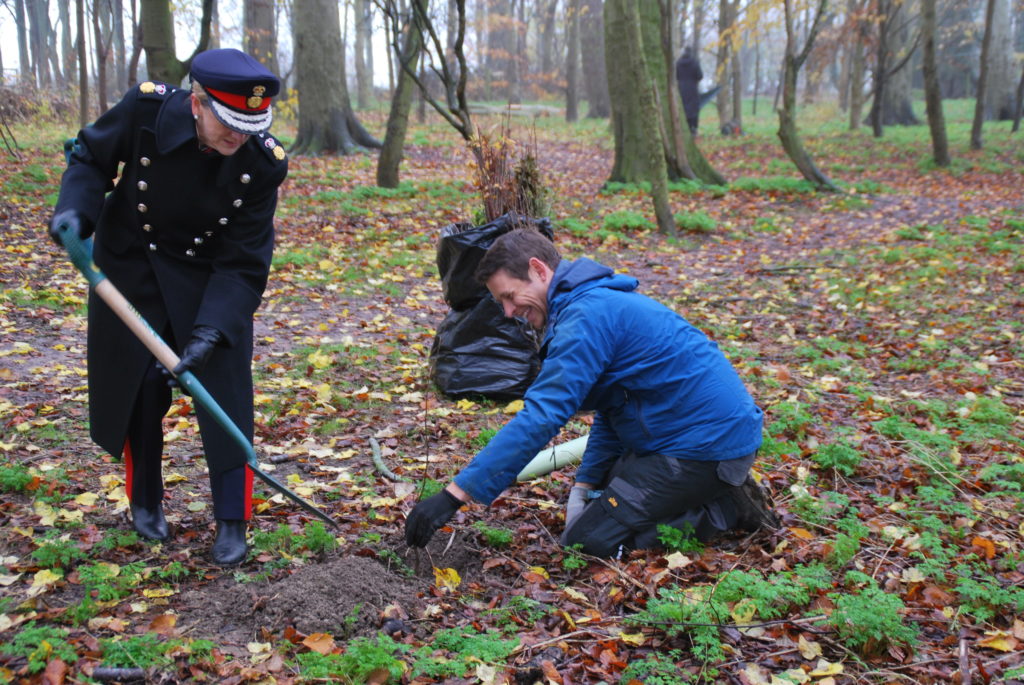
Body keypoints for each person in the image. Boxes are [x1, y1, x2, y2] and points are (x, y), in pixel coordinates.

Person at [48, 48, 288, 565]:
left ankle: (232, 518)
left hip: (210, 280)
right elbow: (90, 159)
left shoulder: (262, 164)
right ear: (197, 103)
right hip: (133, 265)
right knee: (137, 387)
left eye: (250, 125)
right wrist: (74, 211)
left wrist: (209, 332)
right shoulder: (145, 112)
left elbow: (245, 260)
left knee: (225, 393)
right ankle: (145, 497)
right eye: (228, 122)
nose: (239, 136)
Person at [405, 229, 778, 556]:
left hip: (706, 446)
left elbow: (542, 416)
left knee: (588, 542)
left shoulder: (587, 316)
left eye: (509, 295)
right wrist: (584, 482)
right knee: (602, 490)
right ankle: (704, 489)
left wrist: (455, 495)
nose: (507, 311)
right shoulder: (584, 305)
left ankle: (726, 509)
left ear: (538, 270)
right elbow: (613, 405)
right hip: (678, 436)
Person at [675, 46, 703, 135]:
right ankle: (693, 128)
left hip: (681, 88)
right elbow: (700, 76)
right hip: (692, 88)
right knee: (694, 109)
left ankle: (685, 127)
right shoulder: (695, 62)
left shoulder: (678, 63)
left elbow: (676, 76)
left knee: (683, 108)